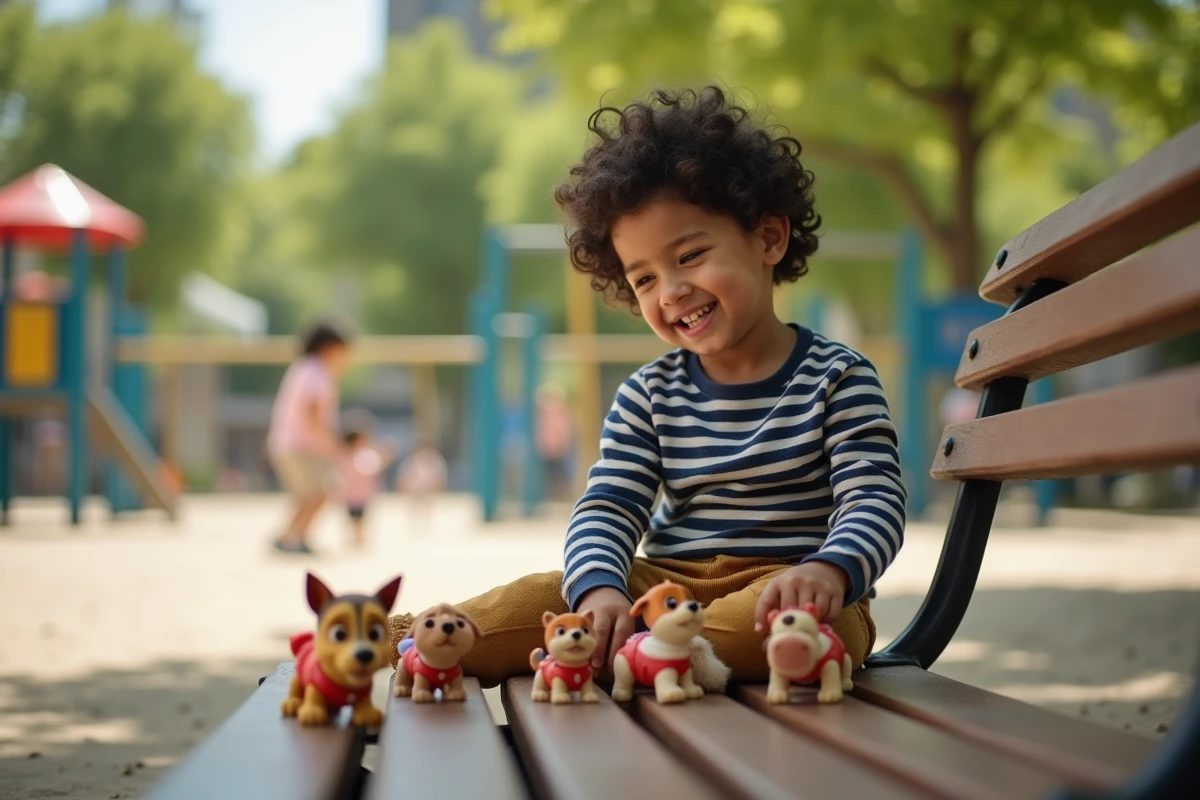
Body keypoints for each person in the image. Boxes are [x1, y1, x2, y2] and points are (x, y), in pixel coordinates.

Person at [389, 87, 906, 687]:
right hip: (661, 589)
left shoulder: (838, 377)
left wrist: (831, 572)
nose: (670, 291)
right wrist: (602, 590)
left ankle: (644, 656)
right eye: (644, 278)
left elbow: (875, 497)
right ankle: (411, 641)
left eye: (689, 255)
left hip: (790, 586)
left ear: (768, 239)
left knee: (796, 628)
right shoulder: (648, 395)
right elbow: (609, 506)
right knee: (536, 598)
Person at [266, 323, 350, 554]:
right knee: (320, 491)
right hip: (300, 445)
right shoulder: (317, 372)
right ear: (328, 348)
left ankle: (288, 536)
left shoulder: (303, 368)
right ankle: (294, 538)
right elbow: (312, 414)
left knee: (308, 495)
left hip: (287, 443)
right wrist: (333, 444)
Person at [338, 424, 395, 548]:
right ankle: (357, 539)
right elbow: (372, 469)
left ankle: (357, 539)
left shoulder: (349, 455)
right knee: (357, 518)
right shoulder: (357, 455)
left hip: (357, 495)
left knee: (357, 518)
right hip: (356, 495)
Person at [396, 439, 448, 526]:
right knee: (414, 507)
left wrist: (438, 488)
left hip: (428, 489)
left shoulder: (435, 461)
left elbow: (439, 477)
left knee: (426, 507)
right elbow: (405, 476)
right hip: (414, 490)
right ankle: (415, 523)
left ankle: (425, 523)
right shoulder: (412, 461)